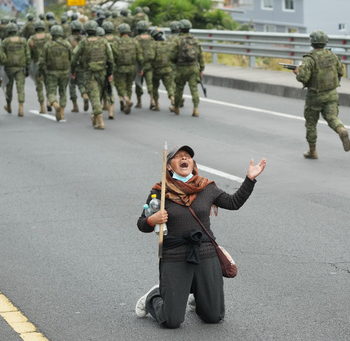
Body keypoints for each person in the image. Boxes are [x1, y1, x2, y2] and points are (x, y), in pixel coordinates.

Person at [135, 145, 266, 328]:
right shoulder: (160, 192)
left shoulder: (206, 188)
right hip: (174, 254)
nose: (184, 159)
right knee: (171, 321)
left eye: (188, 156)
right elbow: (142, 224)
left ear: (193, 163)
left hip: (205, 251)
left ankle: (198, 297)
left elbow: (233, 202)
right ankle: (154, 297)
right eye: (178, 156)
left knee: (213, 317)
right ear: (169, 167)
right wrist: (152, 220)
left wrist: (250, 179)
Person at [293, 30, 350, 159]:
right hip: (332, 94)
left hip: (314, 96)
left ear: (312, 42)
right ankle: (341, 130)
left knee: (311, 123)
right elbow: (341, 71)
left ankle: (312, 151)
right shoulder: (332, 55)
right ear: (325, 42)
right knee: (332, 117)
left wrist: (297, 72)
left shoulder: (309, 58)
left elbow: (303, 77)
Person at [70, 20, 114, 130]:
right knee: (98, 95)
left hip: (89, 73)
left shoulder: (83, 43)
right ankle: (94, 117)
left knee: (94, 96)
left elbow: (74, 57)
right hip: (102, 72)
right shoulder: (104, 42)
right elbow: (110, 58)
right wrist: (110, 73)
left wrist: (73, 70)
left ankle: (100, 121)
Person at [169, 19, 204, 117]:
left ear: (180, 29)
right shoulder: (195, 40)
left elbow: (171, 55)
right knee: (194, 89)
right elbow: (200, 55)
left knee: (179, 89)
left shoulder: (177, 40)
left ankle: (176, 108)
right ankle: (196, 109)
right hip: (193, 68)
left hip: (181, 68)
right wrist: (201, 68)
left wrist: (174, 63)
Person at [39, 25, 73, 122]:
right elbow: (72, 58)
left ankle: (55, 104)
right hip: (64, 72)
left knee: (51, 92)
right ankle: (61, 113)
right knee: (63, 92)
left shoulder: (47, 45)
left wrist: (41, 71)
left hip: (51, 73)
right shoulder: (67, 44)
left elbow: (42, 61)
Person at [111, 23, 143, 115]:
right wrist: (141, 68)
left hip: (120, 68)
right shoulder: (135, 42)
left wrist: (112, 68)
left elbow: (113, 57)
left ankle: (126, 99)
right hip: (132, 68)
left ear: (120, 32)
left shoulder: (116, 43)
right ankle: (127, 103)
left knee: (120, 86)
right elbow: (140, 58)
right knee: (129, 86)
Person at [1, 23, 31, 117]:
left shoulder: (5, 42)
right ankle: (20, 108)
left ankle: (9, 106)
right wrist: (27, 68)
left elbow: (1, 55)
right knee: (20, 88)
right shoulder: (23, 41)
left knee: (9, 88)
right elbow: (28, 55)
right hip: (20, 68)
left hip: (8, 68)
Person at [27, 20, 52, 113]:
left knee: (39, 86)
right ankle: (49, 101)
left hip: (37, 65)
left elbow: (28, 55)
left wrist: (27, 67)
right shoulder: (49, 37)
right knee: (49, 85)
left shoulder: (31, 40)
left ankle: (42, 107)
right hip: (48, 65)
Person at [150, 28, 175, 111]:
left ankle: (157, 105)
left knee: (155, 87)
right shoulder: (168, 43)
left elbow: (151, 57)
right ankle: (172, 100)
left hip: (156, 70)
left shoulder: (153, 45)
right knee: (169, 87)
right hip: (168, 69)